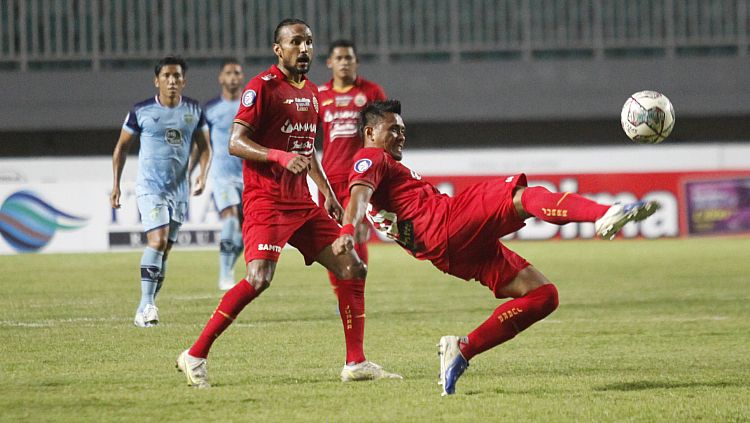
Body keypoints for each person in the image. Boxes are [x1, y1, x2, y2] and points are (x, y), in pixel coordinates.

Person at [332, 100, 661, 396]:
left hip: (447, 254)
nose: (401, 136)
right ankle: (603, 213)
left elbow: (362, 197)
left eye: (403, 130)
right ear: (370, 132)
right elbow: (359, 195)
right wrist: (348, 229)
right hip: (447, 223)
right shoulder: (370, 156)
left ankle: (463, 349)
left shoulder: (382, 166)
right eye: (393, 130)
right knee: (523, 197)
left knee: (542, 295)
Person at [176, 19, 400, 388]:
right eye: (296, 42)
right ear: (278, 49)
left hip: (302, 204)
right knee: (259, 278)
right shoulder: (261, 88)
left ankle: (355, 361)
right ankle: (195, 354)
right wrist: (278, 157)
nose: (305, 48)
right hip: (267, 201)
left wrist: (325, 191)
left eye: (309, 42)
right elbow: (235, 142)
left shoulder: (312, 92)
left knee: (352, 267)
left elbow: (307, 148)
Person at [111, 55, 212, 328]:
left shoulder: (194, 110)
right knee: (157, 241)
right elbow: (122, 148)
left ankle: (145, 308)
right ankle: (146, 305)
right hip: (150, 188)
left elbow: (205, 147)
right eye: (166, 76)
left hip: (179, 191)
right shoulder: (141, 111)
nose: (172, 81)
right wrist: (117, 185)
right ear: (157, 80)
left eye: (177, 76)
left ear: (184, 80)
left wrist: (203, 174)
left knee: (165, 251)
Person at [317, 39, 387, 363]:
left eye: (350, 58)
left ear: (356, 63)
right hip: (330, 181)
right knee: (336, 241)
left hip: (361, 179)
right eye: (339, 58)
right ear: (329, 63)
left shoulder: (371, 92)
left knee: (358, 235)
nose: (345, 62)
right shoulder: (319, 95)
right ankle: (340, 294)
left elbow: (386, 131)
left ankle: (355, 293)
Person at [204, 59, 246, 290]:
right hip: (222, 175)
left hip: (248, 176)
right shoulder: (210, 109)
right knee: (229, 218)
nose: (232, 77)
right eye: (228, 73)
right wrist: (197, 174)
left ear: (242, 77)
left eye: (237, 73)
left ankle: (229, 267)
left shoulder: (249, 107)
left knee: (244, 233)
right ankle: (225, 274)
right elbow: (201, 144)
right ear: (221, 78)